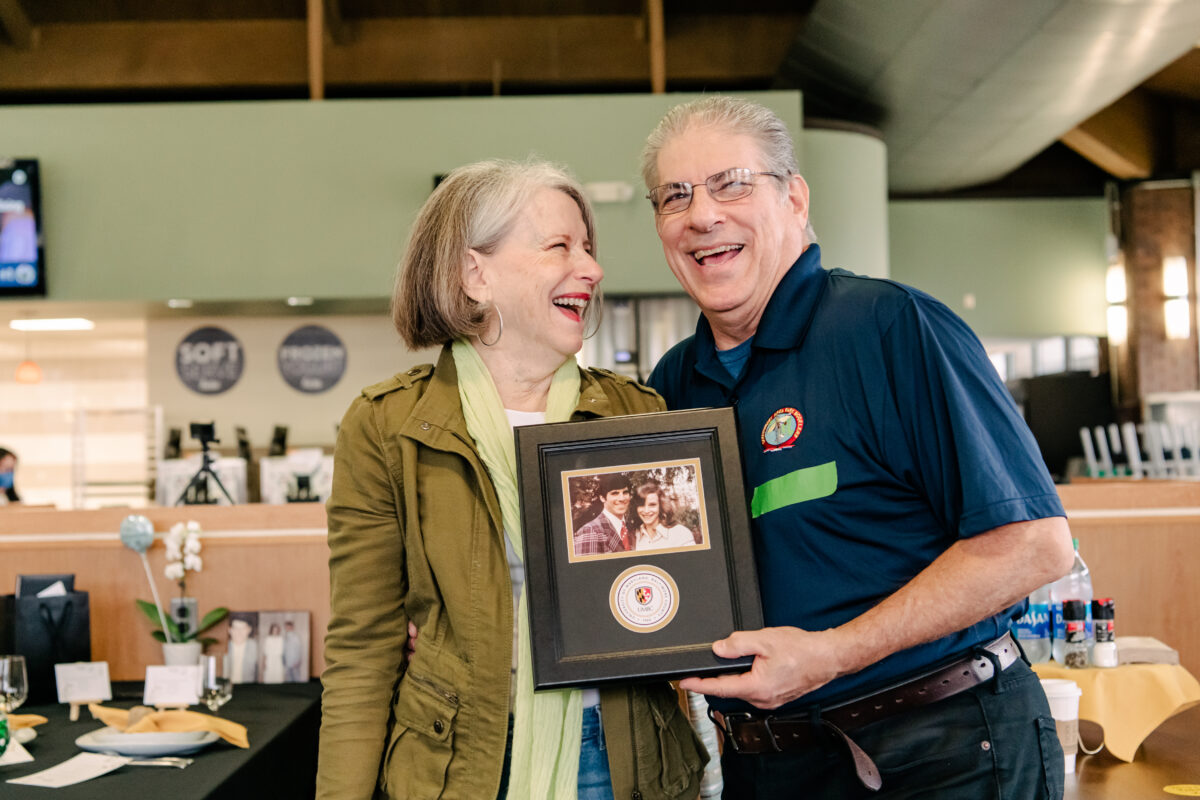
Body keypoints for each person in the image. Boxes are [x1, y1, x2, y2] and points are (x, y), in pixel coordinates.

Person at [639, 96, 1075, 799]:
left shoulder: (889, 328)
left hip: (942, 753)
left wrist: (830, 655)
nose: (702, 215)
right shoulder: (672, 385)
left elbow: (1033, 545)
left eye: (732, 183)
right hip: (766, 766)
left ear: (795, 197)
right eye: (675, 195)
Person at [317, 158, 707, 800]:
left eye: (588, 247)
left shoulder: (640, 414)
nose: (592, 268)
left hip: (623, 761)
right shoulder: (389, 427)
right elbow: (362, 649)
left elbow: (679, 605)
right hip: (461, 766)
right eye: (559, 245)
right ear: (476, 274)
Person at [573, 472, 634, 555]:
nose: (622, 498)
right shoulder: (590, 531)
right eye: (615, 493)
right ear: (602, 498)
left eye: (625, 492)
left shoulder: (630, 529)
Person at [631, 482, 695, 551]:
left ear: (661, 506)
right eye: (641, 505)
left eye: (652, 505)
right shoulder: (634, 536)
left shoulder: (680, 533)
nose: (646, 510)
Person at [224, 617, 258, 684]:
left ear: (249, 630)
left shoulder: (255, 647)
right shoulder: (223, 647)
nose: (239, 632)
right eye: (236, 628)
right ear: (230, 630)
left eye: (243, 628)